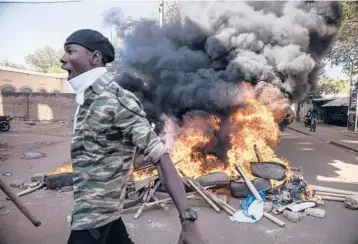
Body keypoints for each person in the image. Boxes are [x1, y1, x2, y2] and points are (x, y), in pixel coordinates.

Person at [60, 29, 205, 244]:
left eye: (70, 51)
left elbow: (160, 158)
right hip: (103, 214)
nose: (63, 60)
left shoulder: (117, 100)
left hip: (93, 219)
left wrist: (188, 220)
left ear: (95, 57)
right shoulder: (87, 99)